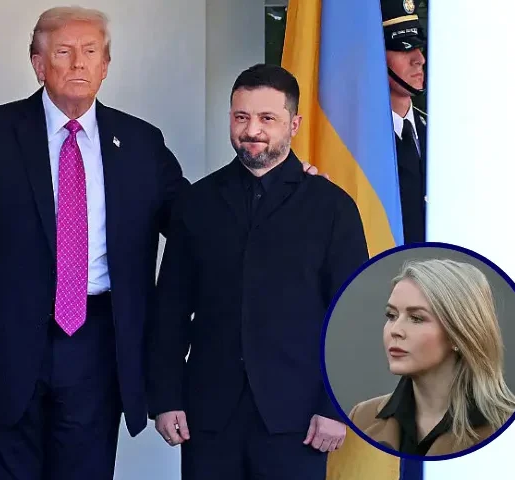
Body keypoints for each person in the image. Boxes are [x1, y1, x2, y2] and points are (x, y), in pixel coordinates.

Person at [0, 7, 320, 479]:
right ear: (37, 63)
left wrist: (288, 190)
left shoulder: (139, 142)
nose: (78, 64)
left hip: (98, 345)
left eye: (90, 52)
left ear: (106, 66)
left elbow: (200, 221)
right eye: (64, 52)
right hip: (0, 350)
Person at [146, 64, 370, 480]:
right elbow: (170, 310)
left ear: (294, 124)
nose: (253, 130)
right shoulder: (197, 203)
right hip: (208, 416)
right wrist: (165, 397)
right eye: (241, 117)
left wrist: (334, 407)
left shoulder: (332, 207)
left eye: (268, 118)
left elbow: (354, 314)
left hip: (300, 419)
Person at [348, 258, 515, 457]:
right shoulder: (362, 416)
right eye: (391, 315)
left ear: (459, 333)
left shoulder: (512, 426)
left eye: (417, 318)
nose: (395, 330)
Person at [381, 0, 427, 244]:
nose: (419, 59)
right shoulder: (355, 143)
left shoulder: (438, 134)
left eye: (418, 47)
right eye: (404, 48)